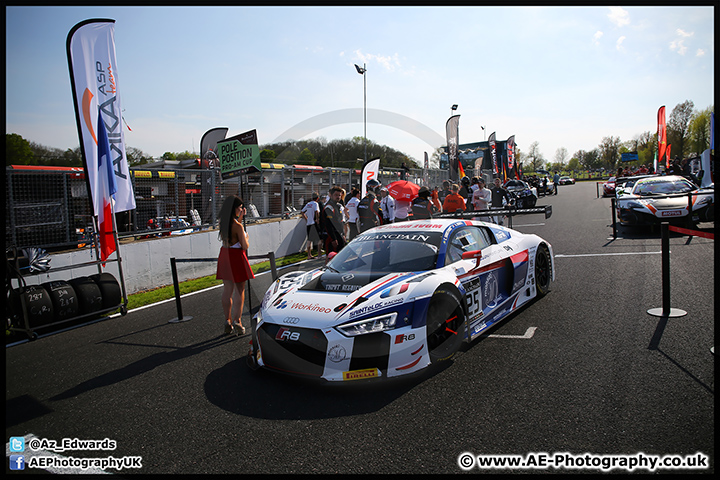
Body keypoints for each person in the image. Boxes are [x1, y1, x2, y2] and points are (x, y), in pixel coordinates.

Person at [216, 195, 254, 336]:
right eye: (239, 208)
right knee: (240, 290)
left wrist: (240, 219)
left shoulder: (223, 222)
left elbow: (233, 231)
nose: (240, 210)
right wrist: (247, 238)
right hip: (237, 257)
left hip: (225, 255)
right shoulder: (237, 227)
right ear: (234, 208)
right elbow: (244, 245)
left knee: (227, 290)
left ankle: (228, 320)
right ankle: (238, 320)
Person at [321, 186, 346, 258]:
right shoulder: (328, 207)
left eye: (339, 195)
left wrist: (343, 234)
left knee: (340, 257)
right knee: (331, 258)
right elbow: (328, 224)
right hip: (331, 237)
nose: (338, 197)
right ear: (330, 195)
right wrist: (333, 239)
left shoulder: (338, 206)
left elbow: (340, 222)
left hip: (339, 235)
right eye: (336, 195)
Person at [300, 192, 322, 259]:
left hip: (309, 223)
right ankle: (319, 254)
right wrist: (317, 219)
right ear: (317, 198)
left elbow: (302, 212)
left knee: (309, 240)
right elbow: (317, 211)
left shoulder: (308, 204)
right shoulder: (315, 204)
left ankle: (309, 255)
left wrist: (306, 219)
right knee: (319, 239)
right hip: (314, 223)